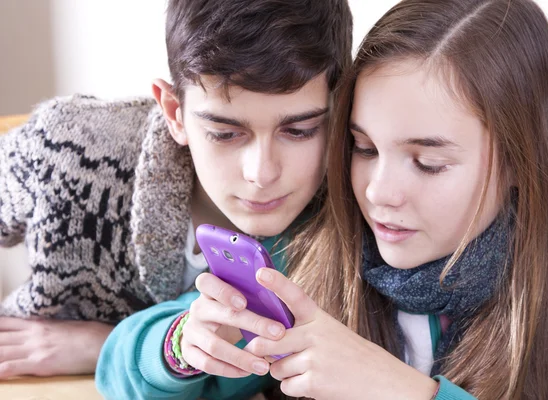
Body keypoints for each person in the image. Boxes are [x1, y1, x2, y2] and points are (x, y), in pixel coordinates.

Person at [147, 0, 548, 398]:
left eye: (427, 162)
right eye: (364, 148)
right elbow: (134, 356)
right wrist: (184, 343)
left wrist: (400, 390)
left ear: (521, 158)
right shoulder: (318, 253)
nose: (378, 192)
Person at [0, 0, 352, 382]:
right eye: (225, 133)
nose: (262, 173)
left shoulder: (364, 214)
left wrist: (99, 345)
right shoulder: (68, 147)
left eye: (299, 131)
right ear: (174, 111)